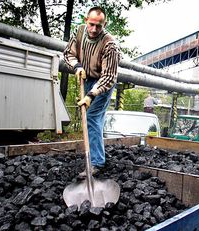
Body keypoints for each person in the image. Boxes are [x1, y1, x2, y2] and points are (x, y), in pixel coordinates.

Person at [63, 6, 120, 176]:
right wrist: (77, 66)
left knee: (92, 117)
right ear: (86, 21)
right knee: (93, 121)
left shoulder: (110, 44)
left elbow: (109, 76)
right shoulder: (80, 32)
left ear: (105, 24)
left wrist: (90, 95)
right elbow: (68, 54)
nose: (94, 29)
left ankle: (96, 163)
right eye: (92, 24)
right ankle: (96, 154)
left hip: (103, 83)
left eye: (99, 26)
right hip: (86, 78)